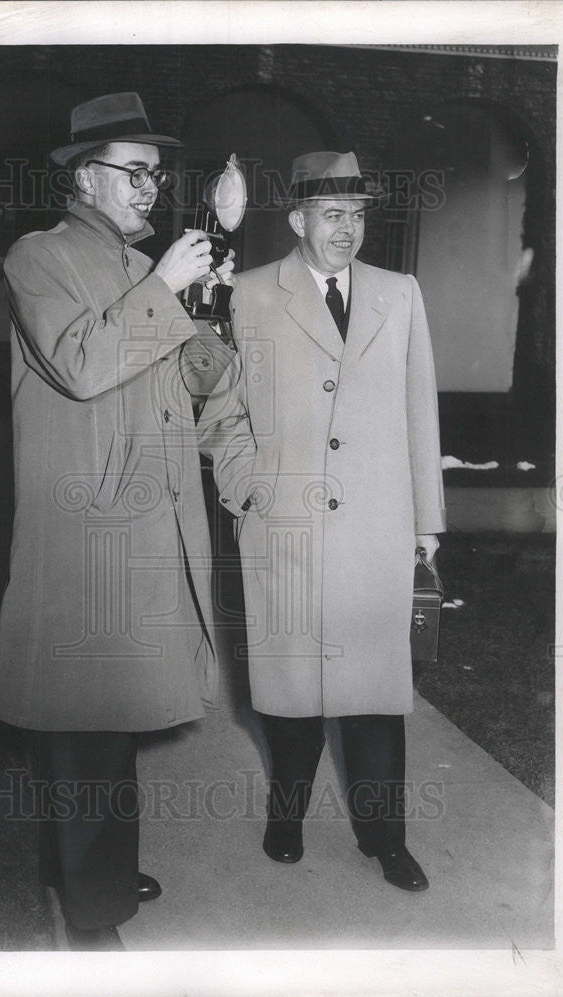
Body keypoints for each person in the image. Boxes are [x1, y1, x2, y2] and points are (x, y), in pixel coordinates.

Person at [0, 92, 234, 950]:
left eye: (155, 175)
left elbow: (197, 389)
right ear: (83, 178)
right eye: (134, 173)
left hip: (148, 522)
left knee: (114, 718)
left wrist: (203, 313)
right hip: (88, 528)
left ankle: (91, 869)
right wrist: (165, 285)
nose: (149, 189)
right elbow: (84, 367)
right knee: (86, 727)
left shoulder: (142, 268)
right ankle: (91, 919)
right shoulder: (38, 256)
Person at [198, 151, 446, 892]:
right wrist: (250, 494)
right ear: (298, 219)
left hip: (375, 529)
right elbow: (221, 416)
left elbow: (419, 411)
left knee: (374, 699)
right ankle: (287, 815)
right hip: (285, 530)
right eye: (333, 216)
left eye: (359, 215)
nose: (349, 230)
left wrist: (425, 521)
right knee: (290, 695)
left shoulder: (399, 294)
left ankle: (383, 839)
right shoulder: (245, 295)